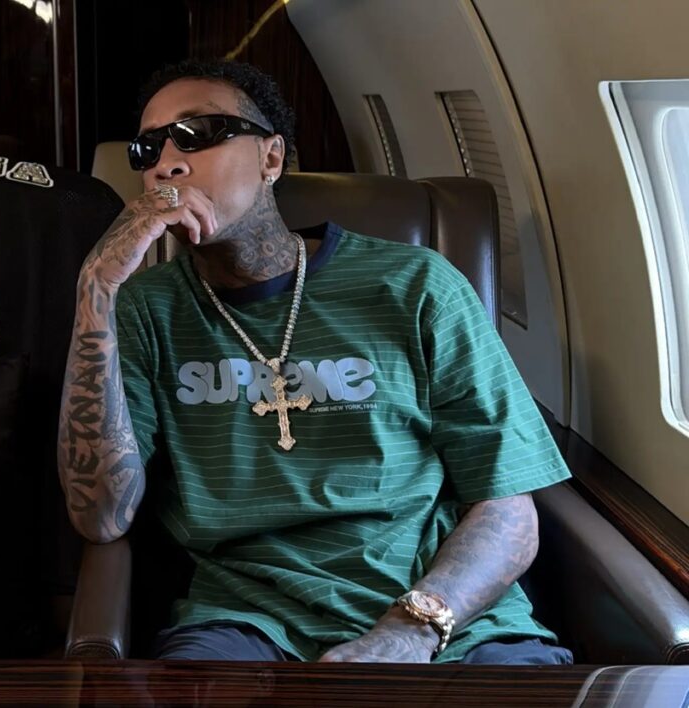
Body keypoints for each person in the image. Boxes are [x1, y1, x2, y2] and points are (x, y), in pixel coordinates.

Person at [57, 59, 573, 664]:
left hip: (445, 618)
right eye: (148, 149)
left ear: (271, 158)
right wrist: (96, 287)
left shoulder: (417, 285)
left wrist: (409, 631)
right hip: (247, 622)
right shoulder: (143, 309)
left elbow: (509, 509)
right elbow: (101, 517)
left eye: (198, 134)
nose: (166, 164)